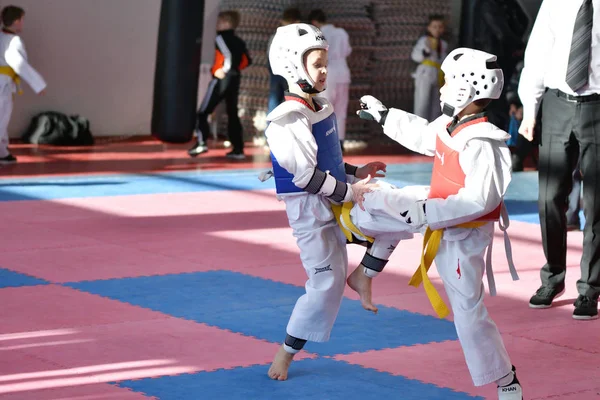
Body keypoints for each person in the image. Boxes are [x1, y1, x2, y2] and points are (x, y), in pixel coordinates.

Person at [262, 22, 429, 382]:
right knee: (325, 286)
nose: (326, 71)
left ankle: (365, 274)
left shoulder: (318, 104)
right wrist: (351, 192)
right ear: (293, 66)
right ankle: (286, 353)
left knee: (398, 214)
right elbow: (306, 177)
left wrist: (357, 171)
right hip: (312, 214)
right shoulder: (287, 119)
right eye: (318, 64)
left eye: (326, 63)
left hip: (339, 199)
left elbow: (329, 158)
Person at [358, 48, 523, 399]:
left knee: (467, 311)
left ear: (466, 88)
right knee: (371, 202)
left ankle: (505, 378)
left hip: (464, 234)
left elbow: (481, 200)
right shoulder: (454, 125)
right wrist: (386, 116)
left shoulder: (482, 141)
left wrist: (426, 213)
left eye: (448, 82)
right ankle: (364, 271)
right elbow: (423, 135)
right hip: (437, 211)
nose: (443, 88)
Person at [517, 0, 599, 319]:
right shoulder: (556, 2)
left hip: (598, 106)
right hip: (557, 104)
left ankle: (590, 289)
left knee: (596, 203)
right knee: (549, 197)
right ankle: (552, 278)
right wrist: (529, 108)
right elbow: (537, 53)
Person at [188, 10, 251, 160]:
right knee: (232, 113)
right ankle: (238, 149)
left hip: (223, 79)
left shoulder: (221, 38)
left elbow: (227, 55)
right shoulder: (239, 40)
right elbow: (247, 60)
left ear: (227, 23)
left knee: (203, 111)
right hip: (234, 79)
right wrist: (235, 70)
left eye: (219, 22)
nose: (217, 25)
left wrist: (223, 70)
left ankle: (202, 142)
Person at [0, 5, 46, 164]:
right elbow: (19, 64)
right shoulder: (13, 41)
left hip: (4, 82)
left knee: (2, 119)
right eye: (22, 20)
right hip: (2, 84)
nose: (23, 23)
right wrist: (38, 84)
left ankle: (2, 152)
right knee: (1, 118)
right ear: (16, 21)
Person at [308, 9, 352, 151]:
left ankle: (326, 139)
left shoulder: (318, 34)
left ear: (314, 22)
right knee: (341, 109)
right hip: (343, 72)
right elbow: (347, 51)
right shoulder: (341, 32)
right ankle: (340, 141)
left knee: (325, 108)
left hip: (327, 73)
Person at [411, 14, 448, 122]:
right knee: (422, 101)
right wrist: (426, 51)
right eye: (434, 27)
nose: (437, 30)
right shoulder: (424, 40)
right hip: (425, 72)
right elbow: (415, 56)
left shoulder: (443, 44)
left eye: (440, 27)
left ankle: (433, 126)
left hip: (438, 73)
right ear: (429, 28)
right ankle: (418, 126)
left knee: (436, 104)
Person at [267, 8, 301, 115]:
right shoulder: (300, 37)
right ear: (298, 22)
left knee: (274, 103)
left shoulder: (276, 36)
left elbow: (269, 55)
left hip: (276, 71)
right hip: (292, 74)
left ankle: (270, 129)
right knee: (292, 103)